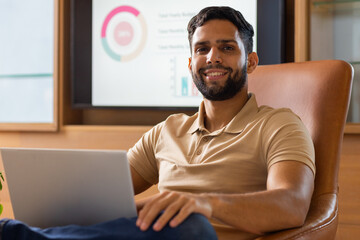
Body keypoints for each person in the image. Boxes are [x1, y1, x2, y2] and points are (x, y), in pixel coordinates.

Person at [0, 6, 315, 240]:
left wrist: (204, 203)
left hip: (197, 235)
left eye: (227, 48)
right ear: (191, 64)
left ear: (252, 61)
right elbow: (101, 195)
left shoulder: (280, 125)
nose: (213, 57)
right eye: (202, 49)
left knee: (192, 225)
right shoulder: (167, 131)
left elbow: (292, 204)